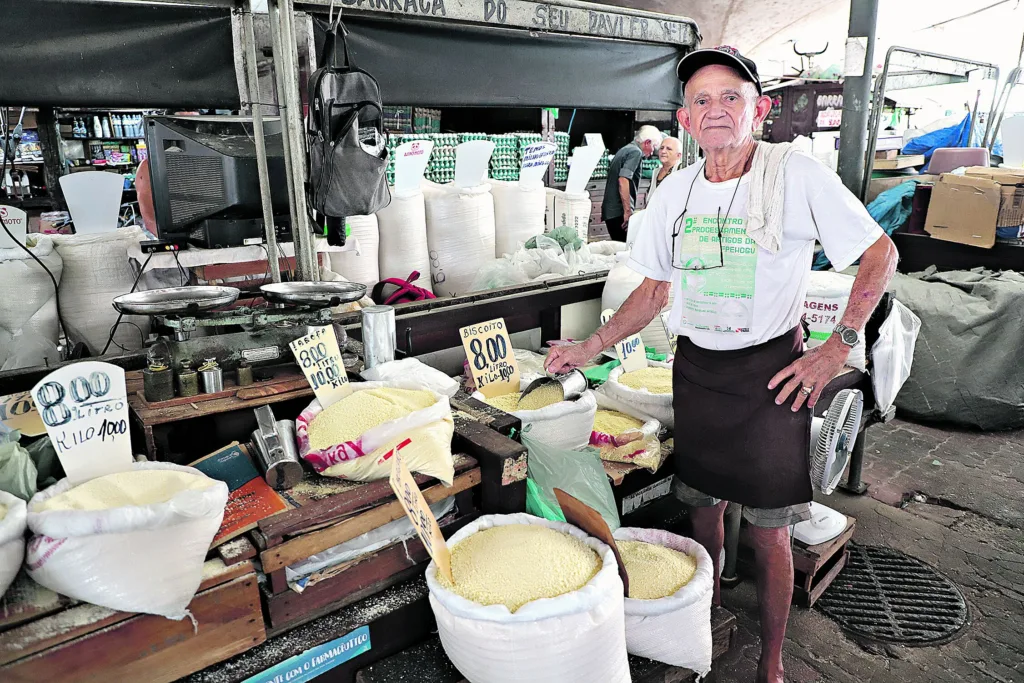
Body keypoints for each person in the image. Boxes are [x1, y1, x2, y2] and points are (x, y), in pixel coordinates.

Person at [547, 45, 897, 683]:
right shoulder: (674, 192)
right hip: (698, 374)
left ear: (759, 110)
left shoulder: (797, 175)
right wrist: (589, 348)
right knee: (702, 512)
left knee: (770, 532)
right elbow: (653, 291)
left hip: (770, 379)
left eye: (731, 97)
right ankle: (702, 619)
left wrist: (837, 344)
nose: (716, 110)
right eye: (701, 100)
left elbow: (879, 254)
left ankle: (771, 661)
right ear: (684, 118)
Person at [601, 125, 663, 242]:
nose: (651, 153)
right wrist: (628, 212)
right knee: (625, 250)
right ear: (647, 142)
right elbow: (623, 180)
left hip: (611, 211)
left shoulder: (625, 149)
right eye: (653, 147)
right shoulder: (635, 152)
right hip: (618, 212)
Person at [648, 136, 683, 200]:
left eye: (669, 149)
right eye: (661, 148)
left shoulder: (682, 170)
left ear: (678, 155)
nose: (663, 151)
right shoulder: (656, 172)